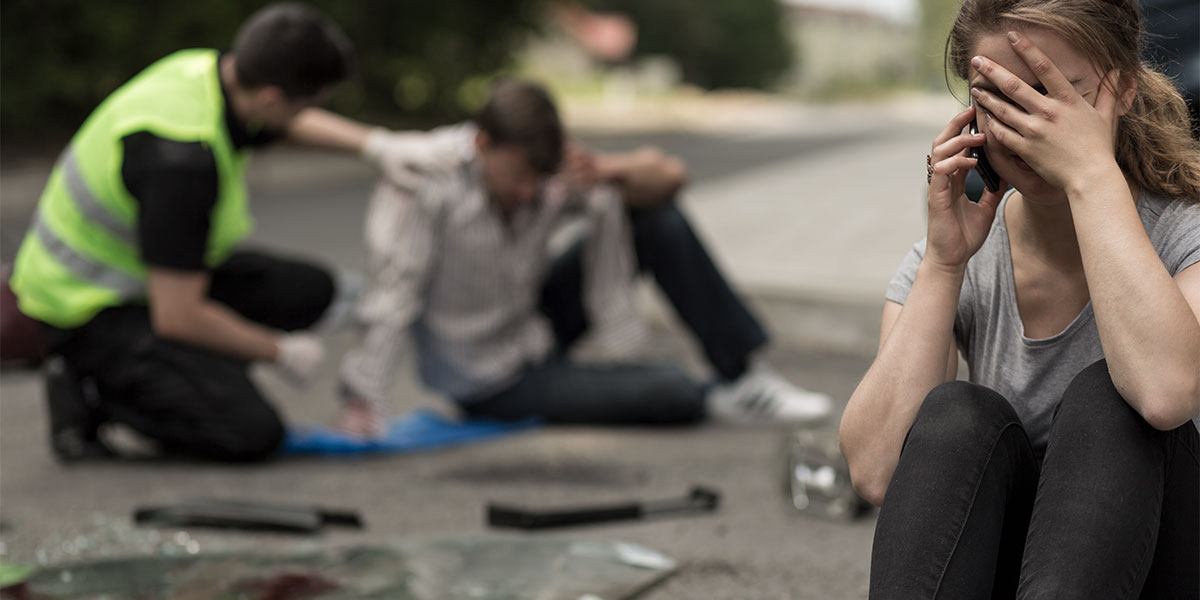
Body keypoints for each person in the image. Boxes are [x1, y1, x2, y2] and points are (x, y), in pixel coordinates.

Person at [838, 0, 1200, 596]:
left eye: (1058, 96)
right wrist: (944, 262)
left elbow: (1164, 395)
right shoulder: (961, 253)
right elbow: (877, 472)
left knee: (1114, 401)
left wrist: (1090, 175)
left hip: (1157, 564)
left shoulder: (1182, 232)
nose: (1032, 127)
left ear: (1125, 90)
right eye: (1005, 98)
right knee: (958, 414)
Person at [9, 3, 414, 462]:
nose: (312, 114)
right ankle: (88, 386)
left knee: (308, 291)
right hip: (86, 309)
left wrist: (377, 146)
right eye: (309, 104)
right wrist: (277, 351)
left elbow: (285, 126)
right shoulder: (179, 165)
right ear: (270, 100)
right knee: (249, 431)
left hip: (141, 273)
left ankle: (194, 369)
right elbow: (178, 316)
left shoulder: (209, 73)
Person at [336, 78, 832, 436]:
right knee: (672, 393)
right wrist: (365, 397)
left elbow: (672, 179)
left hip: (532, 323)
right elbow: (393, 293)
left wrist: (609, 168)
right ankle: (707, 395)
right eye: (517, 178)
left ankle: (742, 375)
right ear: (482, 144)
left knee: (654, 216)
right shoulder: (427, 179)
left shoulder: (543, 168)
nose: (530, 192)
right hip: (488, 376)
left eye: (539, 179)